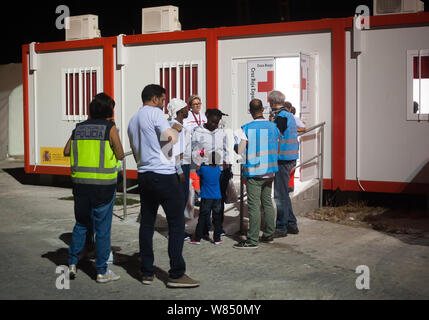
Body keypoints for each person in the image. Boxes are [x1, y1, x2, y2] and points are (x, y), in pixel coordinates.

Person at [127, 84, 200, 288]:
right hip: (164, 175)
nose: (164, 103)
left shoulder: (132, 121)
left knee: (147, 222)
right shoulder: (156, 114)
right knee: (176, 223)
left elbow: (136, 150)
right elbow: (170, 139)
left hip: (144, 174)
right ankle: (176, 274)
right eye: (163, 99)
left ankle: (147, 272)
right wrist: (176, 129)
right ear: (156, 99)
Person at [64, 93, 124, 283]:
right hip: (103, 187)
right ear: (109, 111)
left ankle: (72, 263)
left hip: (80, 186)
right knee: (103, 229)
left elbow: (66, 151)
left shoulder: (79, 128)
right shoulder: (109, 128)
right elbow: (121, 154)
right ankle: (101, 271)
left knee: (81, 224)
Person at [233, 99, 280, 249]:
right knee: (267, 203)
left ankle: (252, 240)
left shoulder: (246, 128)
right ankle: (269, 235)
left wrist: (235, 146)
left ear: (250, 111)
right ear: (263, 109)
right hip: (270, 170)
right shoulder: (273, 126)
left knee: (253, 207)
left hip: (254, 172)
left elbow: (240, 150)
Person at [191, 108, 230, 237]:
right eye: (212, 122)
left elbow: (225, 149)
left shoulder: (222, 133)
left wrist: (227, 164)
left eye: (217, 122)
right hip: (206, 170)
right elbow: (196, 150)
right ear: (207, 118)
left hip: (220, 170)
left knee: (219, 200)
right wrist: (199, 163)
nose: (215, 125)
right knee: (206, 200)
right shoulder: (198, 132)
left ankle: (218, 227)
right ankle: (204, 228)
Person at [269, 90, 300, 238]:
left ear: (273, 102)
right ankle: (291, 224)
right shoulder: (289, 115)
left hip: (283, 159)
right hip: (291, 157)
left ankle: (281, 227)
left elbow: (274, 136)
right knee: (284, 194)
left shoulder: (280, 117)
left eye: (270, 101)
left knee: (280, 195)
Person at [167, 98, 193, 240]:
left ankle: (177, 230)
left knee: (180, 201)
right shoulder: (176, 127)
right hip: (180, 166)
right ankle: (176, 232)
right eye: (186, 108)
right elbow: (175, 152)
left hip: (183, 165)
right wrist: (180, 171)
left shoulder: (175, 125)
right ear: (180, 111)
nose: (188, 110)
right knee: (179, 201)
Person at [189, 152, 223, 245]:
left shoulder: (204, 169)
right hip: (217, 197)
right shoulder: (218, 170)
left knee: (202, 218)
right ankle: (217, 239)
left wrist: (200, 160)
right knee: (217, 219)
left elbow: (197, 170)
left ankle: (197, 238)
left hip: (206, 197)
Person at [285, 102, 306, 193]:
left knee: (291, 166)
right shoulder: (282, 118)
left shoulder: (294, 119)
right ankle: (287, 185)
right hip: (284, 146)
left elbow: (303, 128)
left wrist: (293, 129)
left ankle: (290, 185)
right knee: (287, 167)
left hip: (291, 146)